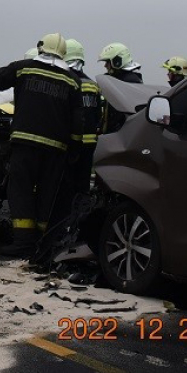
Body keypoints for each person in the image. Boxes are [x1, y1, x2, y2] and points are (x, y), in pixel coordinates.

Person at [0, 33, 83, 258]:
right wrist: (75, 149)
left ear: (41, 48)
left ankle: (23, 242)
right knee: (46, 193)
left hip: (25, 145)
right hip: (56, 150)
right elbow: (77, 120)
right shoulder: (72, 81)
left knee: (20, 190)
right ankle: (41, 242)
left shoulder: (24, 68)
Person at [48, 39, 102, 230]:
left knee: (64, 189)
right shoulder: (93, 84)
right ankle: (81, 225)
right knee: (83, 188)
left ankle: (62, 226)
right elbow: (98, 117)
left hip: (69, 145)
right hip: (90, 146)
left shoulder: (65, 81)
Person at [98, 42, 142, 133]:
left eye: (107, 62)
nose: (105, 66)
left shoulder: (130, 82)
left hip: (120, 136)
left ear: (117, 62)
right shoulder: (118, 81)